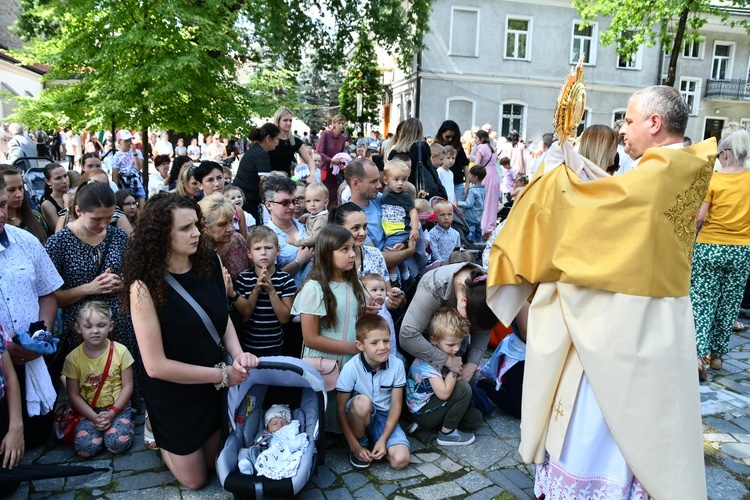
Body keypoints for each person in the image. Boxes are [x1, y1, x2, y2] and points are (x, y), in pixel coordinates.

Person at [487, 85, 710, 498]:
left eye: (628, 119)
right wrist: (575, 167)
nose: (624, 130)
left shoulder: (659, 172)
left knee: (604, 418)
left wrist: (556, 177)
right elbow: (620, 201)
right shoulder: (680, 166)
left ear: (654, 123)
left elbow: (594, 219)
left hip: (621, 324)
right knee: (644, 420)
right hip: (657, 318)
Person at [123, 193, 259, 490]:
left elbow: (222, 322)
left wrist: (238, 354)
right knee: (195, 481)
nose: (197, 233)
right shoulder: (143, 286)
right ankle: (155, 428)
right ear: (161, 235)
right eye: (185, 228)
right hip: (174, 391)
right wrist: (224, 375)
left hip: (211, 384)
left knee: (213, 465)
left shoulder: (209, 260)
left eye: (197, 224)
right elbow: (156, 366)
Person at [44, 182, 141, 402]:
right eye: (96, 219)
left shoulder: (118, 236)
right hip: (82, 331)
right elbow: (52, 298)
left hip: (119, 328)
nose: (103, 224)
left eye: (108, 218)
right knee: (89, 395)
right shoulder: (58, 243)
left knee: (121, 392)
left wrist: (120, 285)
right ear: (78, 211)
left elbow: (133, 280)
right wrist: (90, 287)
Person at [0, 173, 63, 453]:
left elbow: (47, 291)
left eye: (3, 204)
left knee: (39, 436)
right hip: (1, 366)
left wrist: (41, 336)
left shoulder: (25, 240)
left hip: (33, 358)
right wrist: (4, 349)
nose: (1, 213)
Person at [291, 225, 369, 432]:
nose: (352, 254)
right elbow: (310, 338)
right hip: (325, 365)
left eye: (353, 248)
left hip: (351, 364)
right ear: (327, 252)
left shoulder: (355, 284)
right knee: (322, 417)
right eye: (344, 249)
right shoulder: (314, 288)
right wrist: (352, 348)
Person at [691, 129, 750, 379]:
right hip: (741, 250)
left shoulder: (713, 180)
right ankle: (717, 356)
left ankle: (699, 355)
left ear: (725, 154)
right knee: (729, 305)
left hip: (709, 246)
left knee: (703, 303)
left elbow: (700, 217)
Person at [400, 263, 497, 382]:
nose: (470, 325)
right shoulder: (433, 287)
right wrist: (446, 360)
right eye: (468, 321)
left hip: (456, 346)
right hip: (426, 346)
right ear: (463, 301)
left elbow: (483, 329)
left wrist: (472, 364)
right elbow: (407, 335)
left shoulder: (488, 288)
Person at [336, 314, 410, 470]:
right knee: (362, 402)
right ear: (360, 345)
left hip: (385, 418)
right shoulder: (351, 367)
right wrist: (355, 446)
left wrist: (383, 440)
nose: (382, 347)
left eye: (386, 341)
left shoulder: (397, 365)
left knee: (401, 460)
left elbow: (396, 406)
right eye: (374, 343)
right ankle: (361, 443)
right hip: (361, 414)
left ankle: (378, 445)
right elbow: (341, 410)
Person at [62, 300, 134, 457]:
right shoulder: (72, 358)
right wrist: (94, 417)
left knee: (117, 444)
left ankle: (124, 423)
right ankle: (102, 431)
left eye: (101, 325)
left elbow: (128, 386)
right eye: (88, 326)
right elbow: (73, 394)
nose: (95, 331)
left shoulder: (121, 352)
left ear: (111, 325)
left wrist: (113, 412)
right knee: (85, 450)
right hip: (89, 411)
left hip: (117, 407)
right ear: (78, 328)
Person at [406, 307, 481, 444]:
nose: (457, 348)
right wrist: (455, 369)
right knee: (463, 388)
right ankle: (447, 434)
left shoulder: (446, 352)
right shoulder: (429, 362)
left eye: (459, 342)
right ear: (434, 340)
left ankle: (431, 426)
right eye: (451, 344)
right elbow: (445, 394)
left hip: (433, 402)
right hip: (422, 412)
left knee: (474, 418)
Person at [231, 226, 295, 356]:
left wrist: (271, 291)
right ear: (249, 253)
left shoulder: (285, 279)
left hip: (275, 346)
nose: (263, 252)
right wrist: (256, 289)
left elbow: (284, 318)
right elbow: (244, 317)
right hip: (248, 345)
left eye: (268, 248)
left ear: (278, 250)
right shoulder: (244, 278)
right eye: (257, 248)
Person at [331, 202, 406, 310]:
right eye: (356, 228)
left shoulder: (375, 254)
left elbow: (387, 298)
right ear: (338, 228)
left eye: (365, 227)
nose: (363, 233)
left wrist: (397, 299)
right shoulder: (331, 259)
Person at [262, 176, 313, 287]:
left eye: (294, 201)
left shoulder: (306, 223)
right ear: (269, 205)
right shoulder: (264, 237)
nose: (292, 207)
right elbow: (269, 279)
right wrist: (298, 262)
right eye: (285, 203)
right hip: (291, 298)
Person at [386, 118, 447, 200]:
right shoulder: (422, 146)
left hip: (400, 189)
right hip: (420, 190)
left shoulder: (394, 151)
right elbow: (430, 168)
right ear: (419, 132)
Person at [380, 160, 419, 285]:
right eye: (396, 179)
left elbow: (413, 212)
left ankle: (393, 281)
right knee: (397, 253)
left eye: (404, 179)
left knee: (389, 252)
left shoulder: (404, 196)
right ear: (386, 180)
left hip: (399, 231)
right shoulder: (385, 193)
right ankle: (406, 277)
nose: (400, 183)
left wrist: (414, 229)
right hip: (390, 231)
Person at [234, 123, 280, 224]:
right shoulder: (261, 155)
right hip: (248, 200)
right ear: (268, 138)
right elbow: (265, 182)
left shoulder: (255, 149)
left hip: (243, 197)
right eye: (276, 139)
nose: (277, 143)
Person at [198, 193, 248, 281]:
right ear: (204, 226)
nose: (230, 229)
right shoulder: (196, 250)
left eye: (231, 221)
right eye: (222, 224)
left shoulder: (239, 240)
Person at [0, 166, 48, 244]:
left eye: (20, 188)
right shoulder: (2, 224)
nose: (19, 194)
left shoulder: (36, 216)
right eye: (11, 190)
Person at [269, 108, 316, 178]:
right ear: (278, 121)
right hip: (270, 180)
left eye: (290, 120)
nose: (289, 123)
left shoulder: (295, 141)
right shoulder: (270, 139)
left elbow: (310, 160)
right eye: (285, 120)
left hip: (287, 181)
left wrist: (312, 175)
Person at [361, 274, 398, 358]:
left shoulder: (384, 304)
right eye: (374, 290)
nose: (379, 293)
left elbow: (391, 300)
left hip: (390, 347)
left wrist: (396, 292)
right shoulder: (363, 308)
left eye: (382, 290)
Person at [436, 121, 470, 203]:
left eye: (453, 137)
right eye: (447, 136)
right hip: (442, 184)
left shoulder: (458, 146)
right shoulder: (436, 146)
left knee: (457, 208)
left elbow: (465, 165)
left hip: (457, 182)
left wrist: (467, 184)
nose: (450, 139)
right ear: (441, 133)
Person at [316, 114, 348, 202]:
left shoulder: (342, 138)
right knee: (324, 195)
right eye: (339, 123)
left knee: (334, 196)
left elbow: (341, 154)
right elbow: (319, 151)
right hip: (325, 168)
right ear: (333, 123)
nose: (341, 126)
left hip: (335, 171)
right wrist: (331, 160)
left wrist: (341, 162)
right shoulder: (325, 134)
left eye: (343, 123)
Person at [111, 130, 145, 210]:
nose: (129, 143)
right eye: (126, 141)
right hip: (124, 181)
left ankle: (141, 216)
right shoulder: (117, 156)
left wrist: (134, 153)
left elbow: (139, 167)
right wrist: (116, 189)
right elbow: (115, 174)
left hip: (136, 179)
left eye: (130, 140)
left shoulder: (137, 152)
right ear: (120, 142)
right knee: (126, 201)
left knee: (141, 197)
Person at [474, 130, 499, 238]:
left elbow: (476, 164)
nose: (474, 140)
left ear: (482, 139)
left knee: (483, 202)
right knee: (492, 203)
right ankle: (490, 227)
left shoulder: (481, 148)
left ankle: (482, 227)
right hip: (494, 175)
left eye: (476, 138)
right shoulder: (492, 147)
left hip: (484, 175)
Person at [458, 165, 486, 243]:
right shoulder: (483, 189)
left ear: (475, 177)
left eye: (470, 175)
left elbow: (468, 204)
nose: (468, 176)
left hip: (470, 217)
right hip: (478, 216)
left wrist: (458, 203)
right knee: (478, 234)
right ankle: (479, 249)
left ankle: (471, 251)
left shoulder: (472, 191)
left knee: (470, 236)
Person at [296, 182, 329, 247]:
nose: (312, 204)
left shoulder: (321, 219)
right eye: (308, 201)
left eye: (316, 200)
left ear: (325, 202)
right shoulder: (315, 214)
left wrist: (295, 242)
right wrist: (308, 215)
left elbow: (314, 239)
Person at [429, 200, 461, 265]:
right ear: (435, 217)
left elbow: (458, 251)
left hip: (453, 266)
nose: (446, 218)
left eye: (449, 214)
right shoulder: (432, 234)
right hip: (439, 268)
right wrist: (441, 262)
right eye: (442, 215)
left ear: (453, 217)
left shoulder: (456, 234)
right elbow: (434, 252)